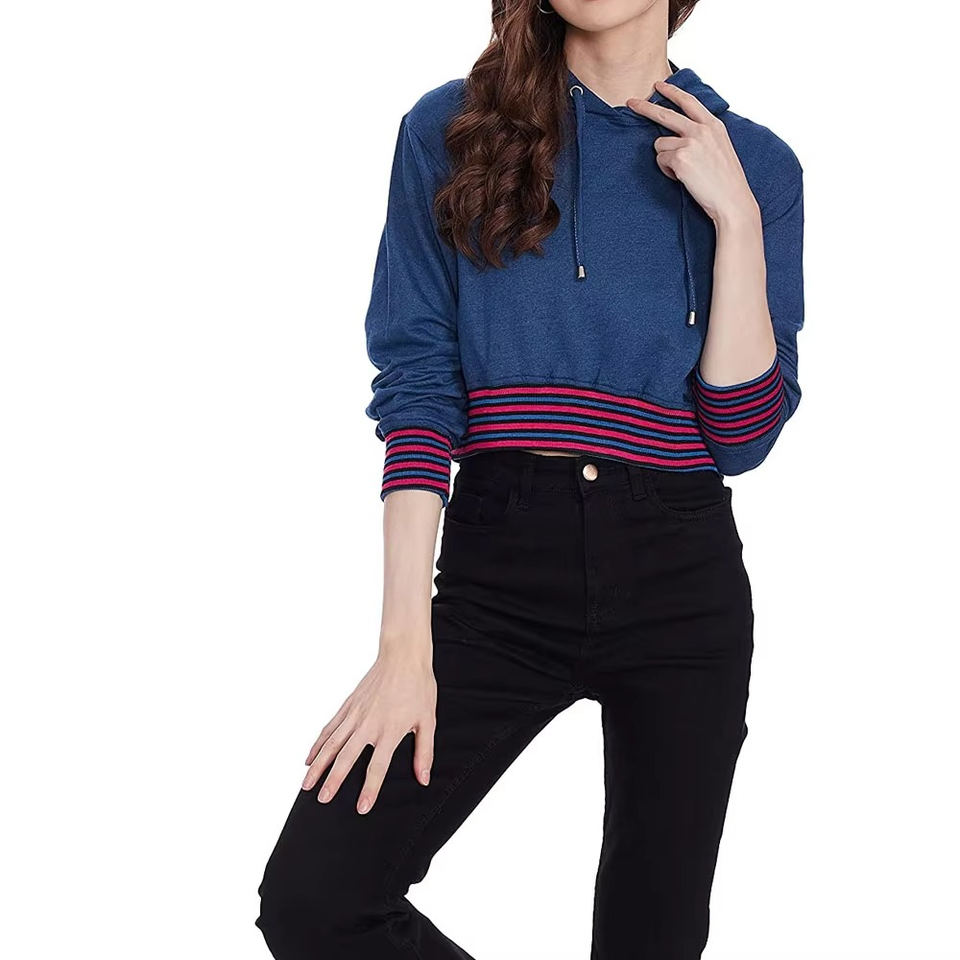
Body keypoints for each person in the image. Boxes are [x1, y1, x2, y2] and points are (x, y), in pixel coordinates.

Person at [255, 0, 804, 956]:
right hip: (501, 566)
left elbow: (743, 434)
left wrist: (738, 218)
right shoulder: (452, 130)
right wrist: (402, 647)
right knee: (319, 897)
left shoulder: (755, 163)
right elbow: (419, 390)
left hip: (680, 573)